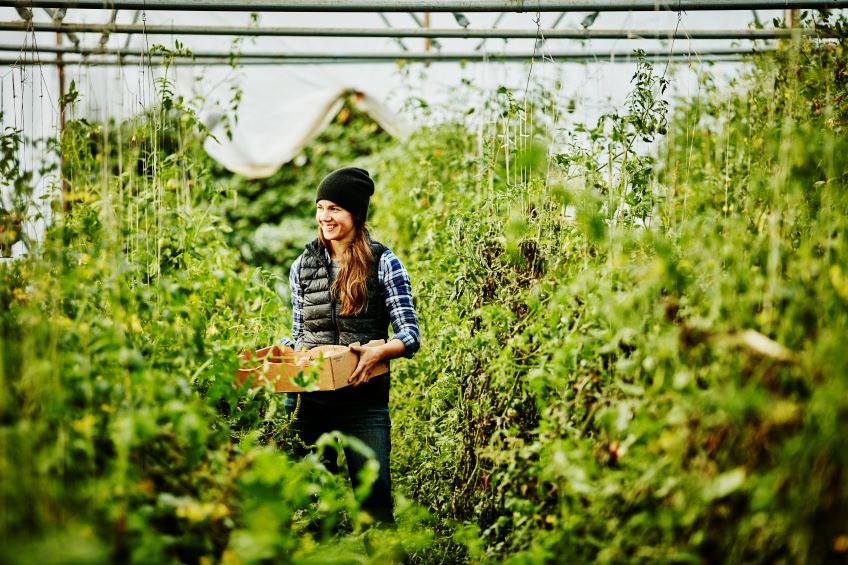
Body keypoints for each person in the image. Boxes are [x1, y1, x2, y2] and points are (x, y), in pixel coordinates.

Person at [281, 166, 420, 530]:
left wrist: (380, 352)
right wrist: (285, 351)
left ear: (355, 215)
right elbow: (300, 333)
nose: (325, 217)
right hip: (311, 405)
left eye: (336, 209)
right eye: (321, 207)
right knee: (315, 513)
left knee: (374, 508)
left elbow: (409, 334)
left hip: (364, 403)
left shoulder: (383, 263)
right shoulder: (301, 266)